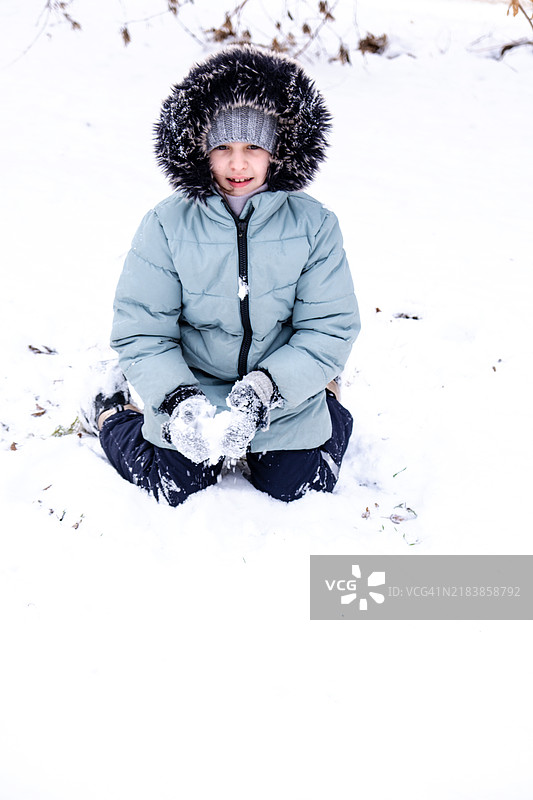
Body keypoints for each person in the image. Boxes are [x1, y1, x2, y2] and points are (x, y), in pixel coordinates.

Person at [80, 45, 360, 506]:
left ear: (277, 152)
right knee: (175, 485)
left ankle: (325, 396)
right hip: (195, 385)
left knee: (301, 486)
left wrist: (270, 389)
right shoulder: (168, 225)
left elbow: (329, 327)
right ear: (200, 151)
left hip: (280, 390)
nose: (238, 165)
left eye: (253, 147)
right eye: (222, 148)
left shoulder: (314, 226)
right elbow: (143, 329)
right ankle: (111, 410)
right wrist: (178, 401)